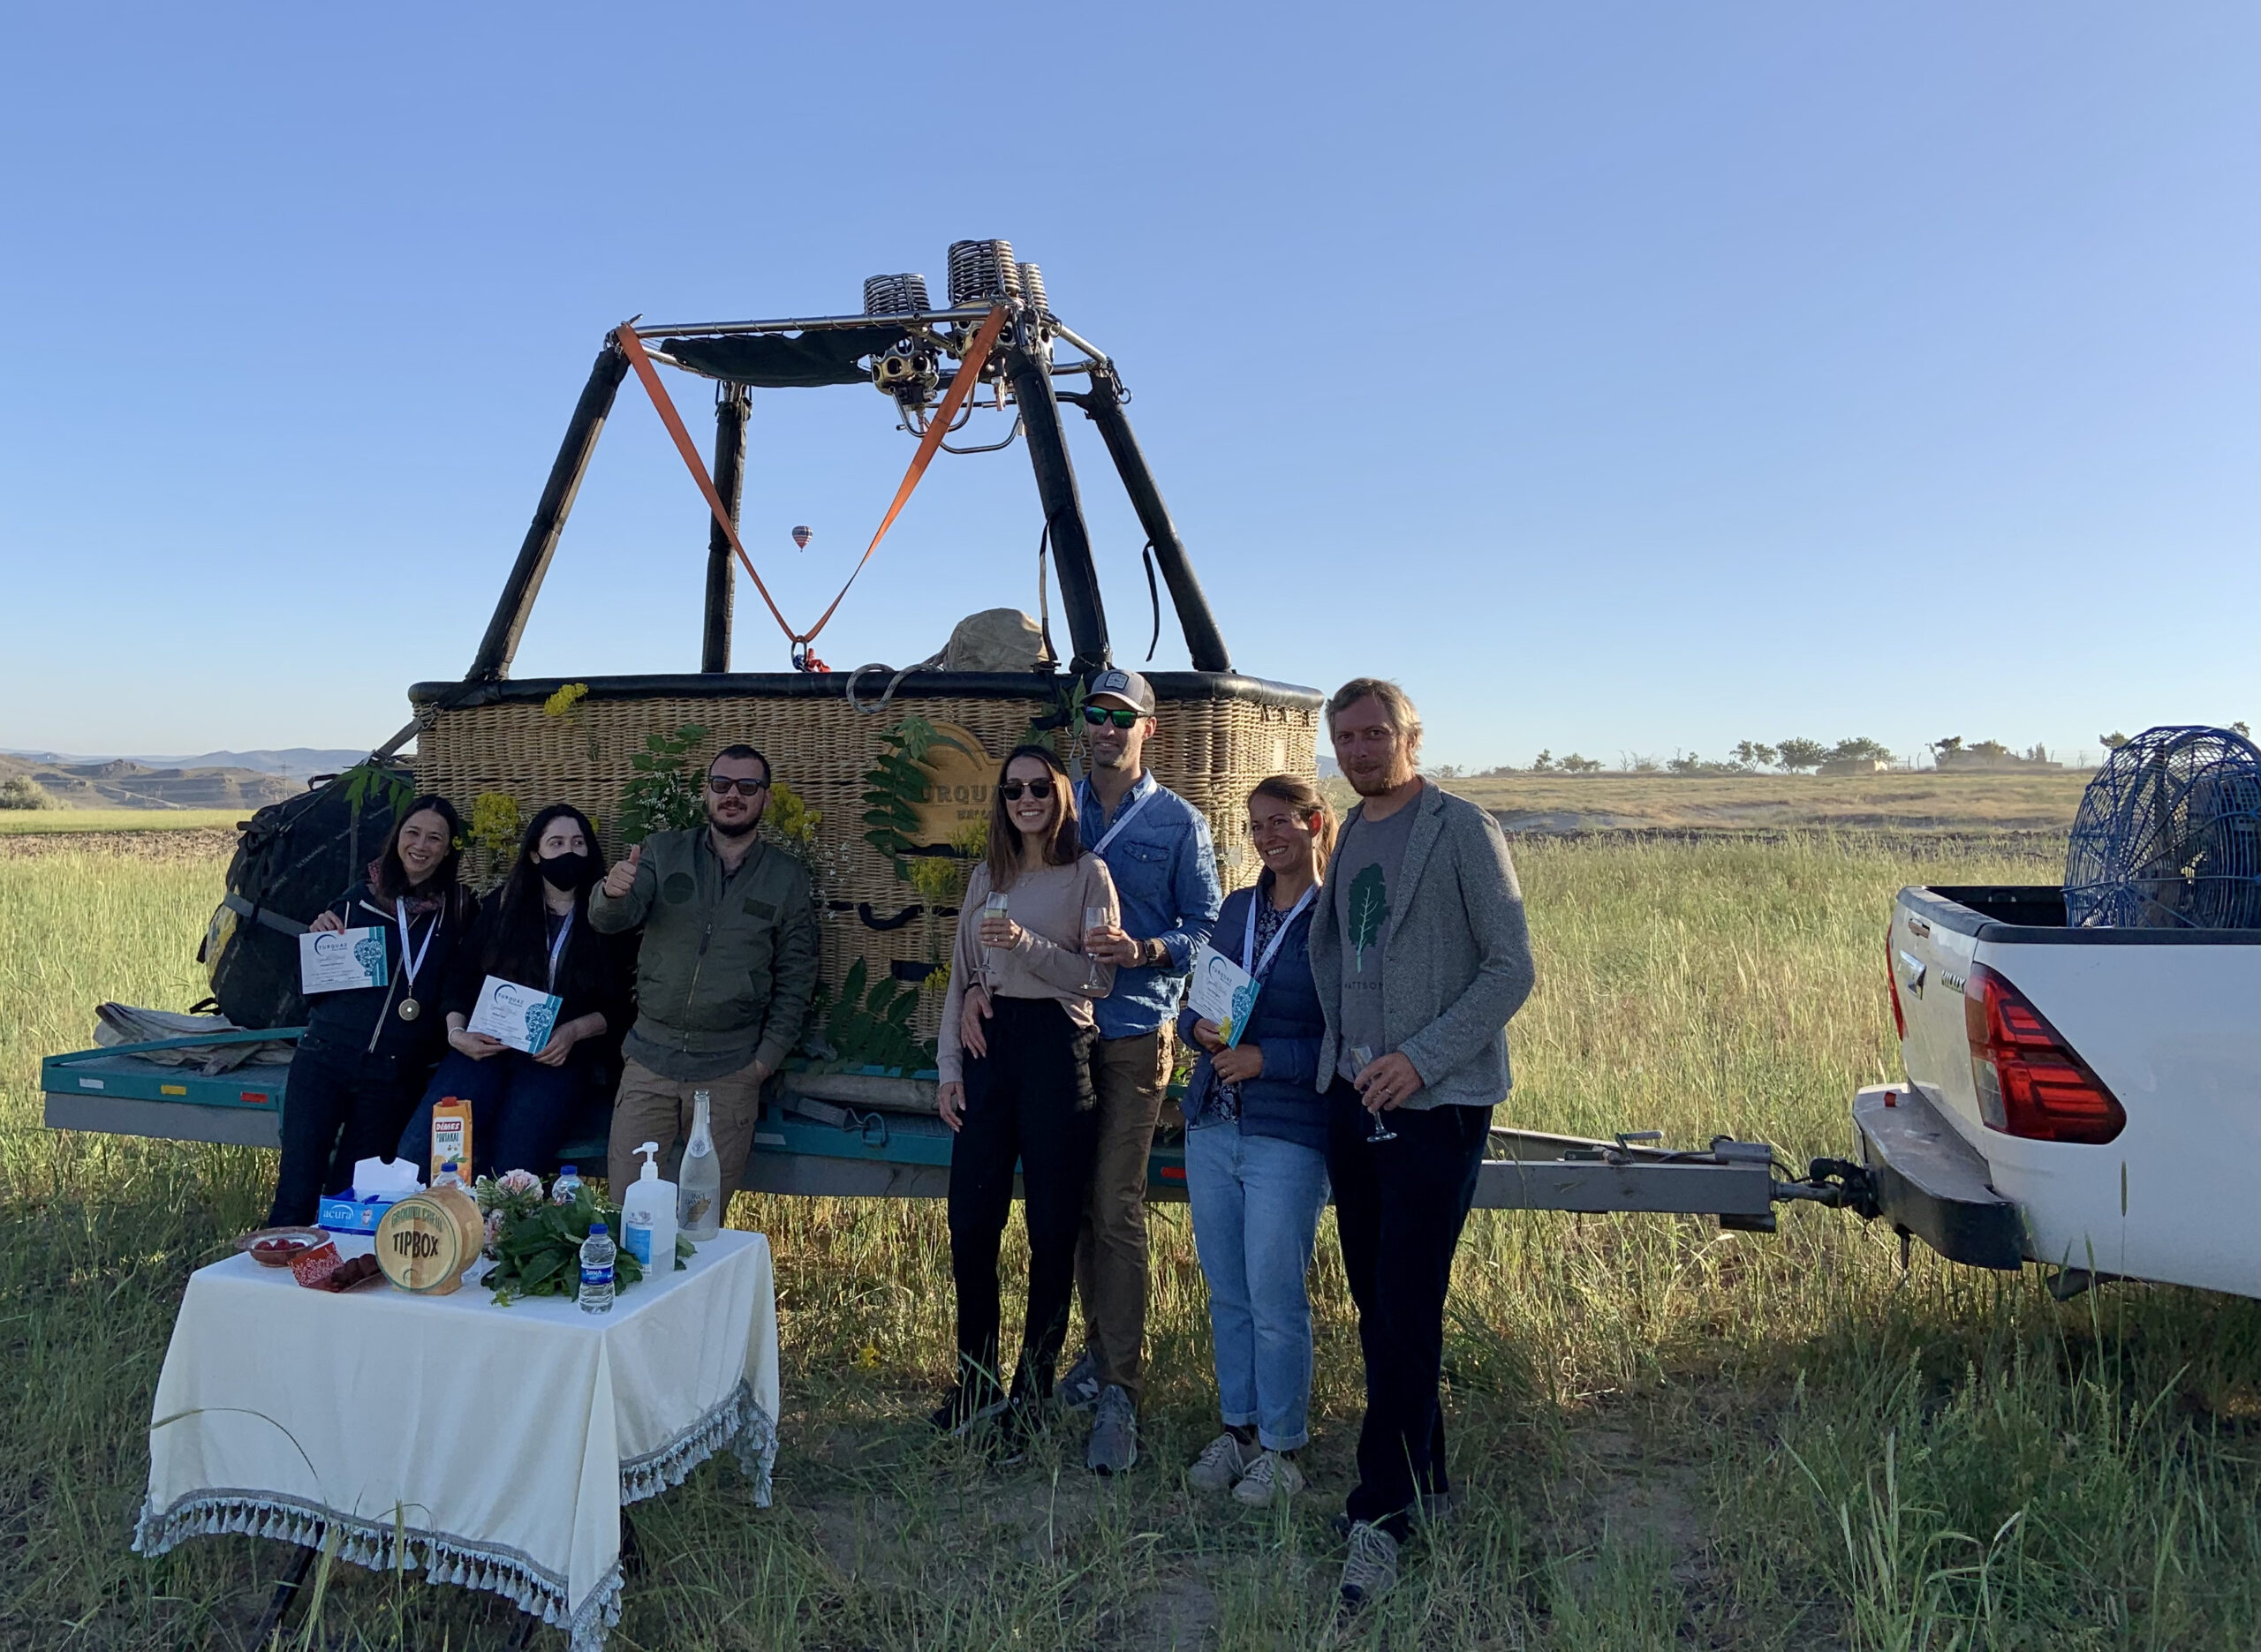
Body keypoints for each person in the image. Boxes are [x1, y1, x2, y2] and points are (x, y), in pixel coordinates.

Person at [1308, 678, 1536, 1612]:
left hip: (1431, 1101)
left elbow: (1510, 965)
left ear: (1410, 736)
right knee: (1377, 1298)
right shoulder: (1353, 829)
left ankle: (1382, 1512)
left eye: (1375, 734)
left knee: (1405, 1302)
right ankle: (1426, 1478)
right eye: (1346, 736)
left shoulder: (1462, 827)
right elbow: (1340, 951)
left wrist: (1421, 1057)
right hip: (1351, 1092)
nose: (1361, 749)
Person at [964, 666, 1221, 1474]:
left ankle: (1120, 1389)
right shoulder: (1051, 799)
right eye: (1094, 716)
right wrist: (975, 988)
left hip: (1134, 1033)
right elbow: (999, 908)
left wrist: (1146, 949)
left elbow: (1208, 926)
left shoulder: (1180, 823)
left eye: (1122, 716)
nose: (1106, 728)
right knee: (1064, 1206)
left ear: (1151, 729)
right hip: (1053, 1037)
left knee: (1115, 1205)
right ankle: (1081, 1358)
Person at [933, 745, 1119, 1441]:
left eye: (1040, 786)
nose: (1026, 798)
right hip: (990, 1049)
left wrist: (1026, 945)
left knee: (1050, 1231)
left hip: (1057, 1049)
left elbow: (1097, 981)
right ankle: (975, 1386)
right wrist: (950, 1069)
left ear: (1061, 795)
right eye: (1013, 790)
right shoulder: (989, 873)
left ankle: (1031, 1393)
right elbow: (961, 978)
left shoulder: (1087, 876)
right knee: (971, 1225)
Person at [1178, 776, 1335, 1508]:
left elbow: (1346, 1037)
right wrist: (1198, 1029)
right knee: (1228, 1292)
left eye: (1281, 822)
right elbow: (1195, 1008)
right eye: (1256, 826)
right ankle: (1237, 1430)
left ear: (1315, 824)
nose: (1268, 836)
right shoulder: (1238, 908)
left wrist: (1270, 1059)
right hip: (1214, 1121)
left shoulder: (1330, 918)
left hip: (1287, 1131)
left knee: (1276, 1296)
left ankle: (1284, 1446)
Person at [587, 744, 820, 1209]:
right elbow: (613, 919)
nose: (733, 795)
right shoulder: (663, 851)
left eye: (747, 787)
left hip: (729, 1073)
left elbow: (798, 976)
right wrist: (610, 894)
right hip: (649, 1065)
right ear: (705, 793)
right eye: (722, 785)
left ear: (765, 799)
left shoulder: (786, 877)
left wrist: (763, 1062)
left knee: (702, 1220)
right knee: (629, 1210)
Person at [393, 804, 635, 1179]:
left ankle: (500, 1233)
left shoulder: (609, 917)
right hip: (486, 1046)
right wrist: (458, 1034)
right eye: (556, 843)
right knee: (425, 1150)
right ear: (536, 854)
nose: (568, 851)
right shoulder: (504, 905)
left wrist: (573, 1032)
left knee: (515, 1170)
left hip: (557, 1057)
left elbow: (623, 1003)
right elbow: (461, 977)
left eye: (578, 842)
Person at [267, 796, 477, 1226]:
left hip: (392, 1076)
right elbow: (309, 991)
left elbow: (461, 984)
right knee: (295, 1193)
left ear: (448, 847)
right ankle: (272, 1289)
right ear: (397, 836)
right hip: (323, 1060)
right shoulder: (357, 899)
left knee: (352, 1201)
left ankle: (336, 1287)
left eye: (435, 838)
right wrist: (317, 941)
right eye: (413, 833)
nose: (421, 845)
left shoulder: (459, 910)